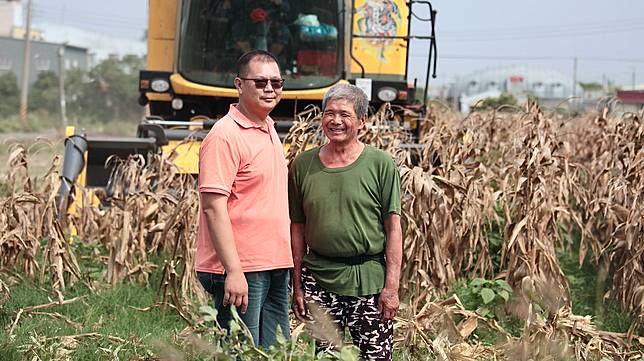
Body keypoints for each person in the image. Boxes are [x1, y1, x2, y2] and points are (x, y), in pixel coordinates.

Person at [288, 83, 403, 361]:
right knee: (325, 357)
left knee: (376, 357)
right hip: (319, 278)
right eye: (329, 113)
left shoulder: (380, 164)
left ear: (362, 121)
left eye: (344, 114)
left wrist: (391, 287)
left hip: (369, 281)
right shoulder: (302, 165)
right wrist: (298, 285)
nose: (335, 121)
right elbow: (297, 228)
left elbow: (393, 228)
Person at [196, 50, 292, 349]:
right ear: (239, 85)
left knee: (275, 353)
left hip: (274, 263)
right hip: (242, 268)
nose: (269, 89)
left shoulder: (268, 128)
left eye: (276, 83)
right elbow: (213, 208)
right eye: (260, 82)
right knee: (241, 352)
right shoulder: (225, 136)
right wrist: (234, 271)